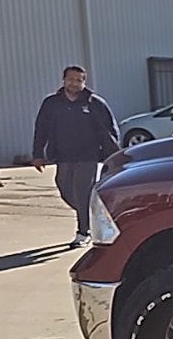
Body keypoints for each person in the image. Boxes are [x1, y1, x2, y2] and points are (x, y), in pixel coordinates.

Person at [31, 65, 119, 247]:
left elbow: (110, 129)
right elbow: (41, 129)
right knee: (65, 190)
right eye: (71, 79)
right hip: (63, 155)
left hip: (88, 155)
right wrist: (37, 154)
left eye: (79, 80)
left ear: (84, 82)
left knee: (82, 192)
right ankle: (93, 216)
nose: (75, 83)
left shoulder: (94, 103)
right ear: (64, 80)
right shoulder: (51, 103)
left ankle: (83, 232)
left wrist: (114, 153)